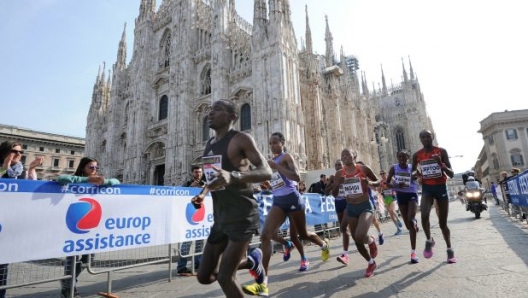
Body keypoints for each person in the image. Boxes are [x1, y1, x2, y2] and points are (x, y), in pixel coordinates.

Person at [192, 100, 272, 298]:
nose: (210, 113)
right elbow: (213, 178)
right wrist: (202, 194)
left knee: (225, 277)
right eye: (210, 109)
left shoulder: (241, 139)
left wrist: (234, 176)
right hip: (220, 217)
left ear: (232, 116)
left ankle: (247, 262)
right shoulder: (210, 144)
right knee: (204, 276)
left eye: (217, 109)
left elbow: (266, 171)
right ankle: (252, 260)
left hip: (242, 215)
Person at [243, 132, 330, 296]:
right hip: (278, 202)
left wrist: (277, 167)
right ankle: (263, 283)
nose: (272, 146)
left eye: (275, 143)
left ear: (282, 143)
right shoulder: (271, 162)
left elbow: (296, 177)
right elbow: (277, 184)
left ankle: (324, 245)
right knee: (265, 235)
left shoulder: (286, 157)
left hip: (293, 200)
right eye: (270, 144)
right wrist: (268, 185)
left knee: (303, 234)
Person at [57, 157, 120, 298]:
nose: (94, 170)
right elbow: (61, 178)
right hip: (74, 224)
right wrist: (86, 180)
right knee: (72, 260)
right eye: (91, 167)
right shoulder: (75, 180)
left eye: (96, 168)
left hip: (91, 226)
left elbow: (117, 182)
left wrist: (106, 181)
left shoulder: (98, 182)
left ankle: (69, 280)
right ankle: (69, 288)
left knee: (88, 260)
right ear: (83, 167)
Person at [0, 141, 42, 298]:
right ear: (4, 151)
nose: (18, 154)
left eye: (20, 152)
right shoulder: (3, 167)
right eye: (14, 151)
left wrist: (31, 169)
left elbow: (30, 190)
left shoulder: (20, 170)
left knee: (2, 268)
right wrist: (3, 168)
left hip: (7, 223)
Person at [332, 149, 381, 278]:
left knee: (360, 235)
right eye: (342, 155)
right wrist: (338, 184)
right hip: (351, 208)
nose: (345, 157)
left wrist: (369, 183)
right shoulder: (339, 173)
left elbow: (378, 182)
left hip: (365, 206)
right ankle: (371, 263)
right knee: (356, 239)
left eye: (347, 154)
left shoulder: (363, 169)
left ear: (354, 155)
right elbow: (334, 194)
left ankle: (371, 240)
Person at [411, 129, 457, 264]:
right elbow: (414, 169)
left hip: (441, 187)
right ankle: (429, 240)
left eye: (428, 136)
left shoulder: (441, 151)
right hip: (427, 188)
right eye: (423, 137)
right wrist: (415, 174)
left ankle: (450, 249)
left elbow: (452, 173)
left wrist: (441, 164)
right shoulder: (417, 155)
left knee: (443, 223)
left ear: (433, 137)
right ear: (420, 139)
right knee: (424, 216)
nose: (425, 139)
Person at [386, 150, 420, 263]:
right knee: (408, 226)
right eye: (400, 156)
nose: (402, 158)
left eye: (404, 156)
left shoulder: (412, 167)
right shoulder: (394, 168)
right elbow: (387, 183)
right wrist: (396, 184)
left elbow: (420, 176)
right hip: (400, 196)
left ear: (408, 157)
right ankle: (414, 223)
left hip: (412, 195)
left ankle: (413, 252)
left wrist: (416, 177)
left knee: (410, 221)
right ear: (397, 157)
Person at [178, 166, 206, 276]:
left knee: (200, 242)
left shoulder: (205, 184)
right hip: (189, 218)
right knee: (186, 243)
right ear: (192, 173)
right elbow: (180, 196)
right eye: (196, 172)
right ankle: (181, 267)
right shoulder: (186, 184)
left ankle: (198, 264)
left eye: (199, 172)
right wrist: (190, 188)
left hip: (201, 217)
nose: (198, 174)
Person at [325, 160, 352, 265]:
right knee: (344, 229)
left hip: (347, 202)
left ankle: (345, 254)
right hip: (337, 203)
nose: (337, 167)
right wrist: (335, 184)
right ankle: (346, 254)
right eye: (336, 165)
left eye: (339, 165)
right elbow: (326, 192)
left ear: (343, 165)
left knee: (344, 227)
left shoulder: (348, 174)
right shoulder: (332, 177)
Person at [357, 161, 385, 245]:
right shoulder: (354, 177)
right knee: (361, 221)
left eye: (361, 167)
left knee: (373, 220)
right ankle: (367, 238)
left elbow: (375, 188)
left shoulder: (367, 177)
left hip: (369, 201)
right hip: (358, 202)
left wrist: (368, 183)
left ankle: (380, 233)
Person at [379, 170, 403, 235]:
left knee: (391, 210)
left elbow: (396, 183)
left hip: (392, 196)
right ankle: (398, 228)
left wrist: (393, 186)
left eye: (383, 173)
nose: (382, 175)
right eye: (381, 174)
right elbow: (380, 190)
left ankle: (398, 220)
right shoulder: (381, 182)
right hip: (386, 198)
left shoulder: (390, 179)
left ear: (386, 173)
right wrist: (381, 191)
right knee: (390, 214)